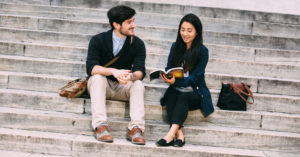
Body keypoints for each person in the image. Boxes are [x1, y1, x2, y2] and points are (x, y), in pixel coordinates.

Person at [86, 5, 146, 145]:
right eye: (129, 22)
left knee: (138, 84)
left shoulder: (138, 44)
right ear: (116, 25)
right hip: (102, 85)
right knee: (97, 78)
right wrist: (113, 71)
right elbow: (91, 68)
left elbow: (140, 71)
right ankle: (100, 126)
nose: (133, 25)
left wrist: (130, 76)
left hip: (122, 86)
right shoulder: (98, 40)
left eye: (133, 21)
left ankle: (136, 128)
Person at [156, 14, 214, 147]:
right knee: (171, 96)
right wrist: (168, 76)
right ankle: (179, 134)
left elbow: (195, 79)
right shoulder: (175, 46)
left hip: (195, 92)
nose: (185, 34)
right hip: (175, 89)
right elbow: (169, 67)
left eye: (189, 30)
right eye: (182, 30)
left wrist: (176, 82)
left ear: (196, 32)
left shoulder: (203, 51)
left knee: (182, 96)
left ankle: (170, 135)